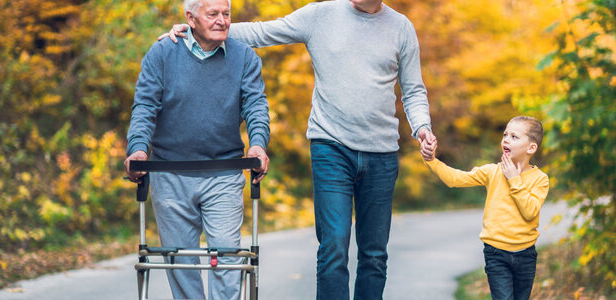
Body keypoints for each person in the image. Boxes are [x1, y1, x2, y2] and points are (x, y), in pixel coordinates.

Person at [158, 0, 435, 299]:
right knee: (333, 248)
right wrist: (198, 29)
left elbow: (413, 89)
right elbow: (262, 32)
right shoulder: (320, 15)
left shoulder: (401, 27)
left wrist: (422, 127)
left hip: (382, 154)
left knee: (374, 254)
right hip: (331, 147)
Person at [124, 0, 270, 299]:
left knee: (228, 259)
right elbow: (145, 106)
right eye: (213, 14)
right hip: (170, 173)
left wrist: (257, 143)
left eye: (226, 14)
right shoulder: (162, 53)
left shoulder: (245, 57)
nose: (222, 21)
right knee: (180, 261)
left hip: (224, 173)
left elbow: (256, 106)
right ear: (190, 18)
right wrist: (138, 149)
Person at [420, 116, 549, 300]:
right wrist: (432, 160)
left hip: (525, 254)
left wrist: (514, 179)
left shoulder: (540, 179)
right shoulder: (492, 172)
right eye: (505, 134)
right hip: (496, 252)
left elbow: (530, 212)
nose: (506, 139)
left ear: (531, 148)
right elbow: (455, 179)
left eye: (514, 136)